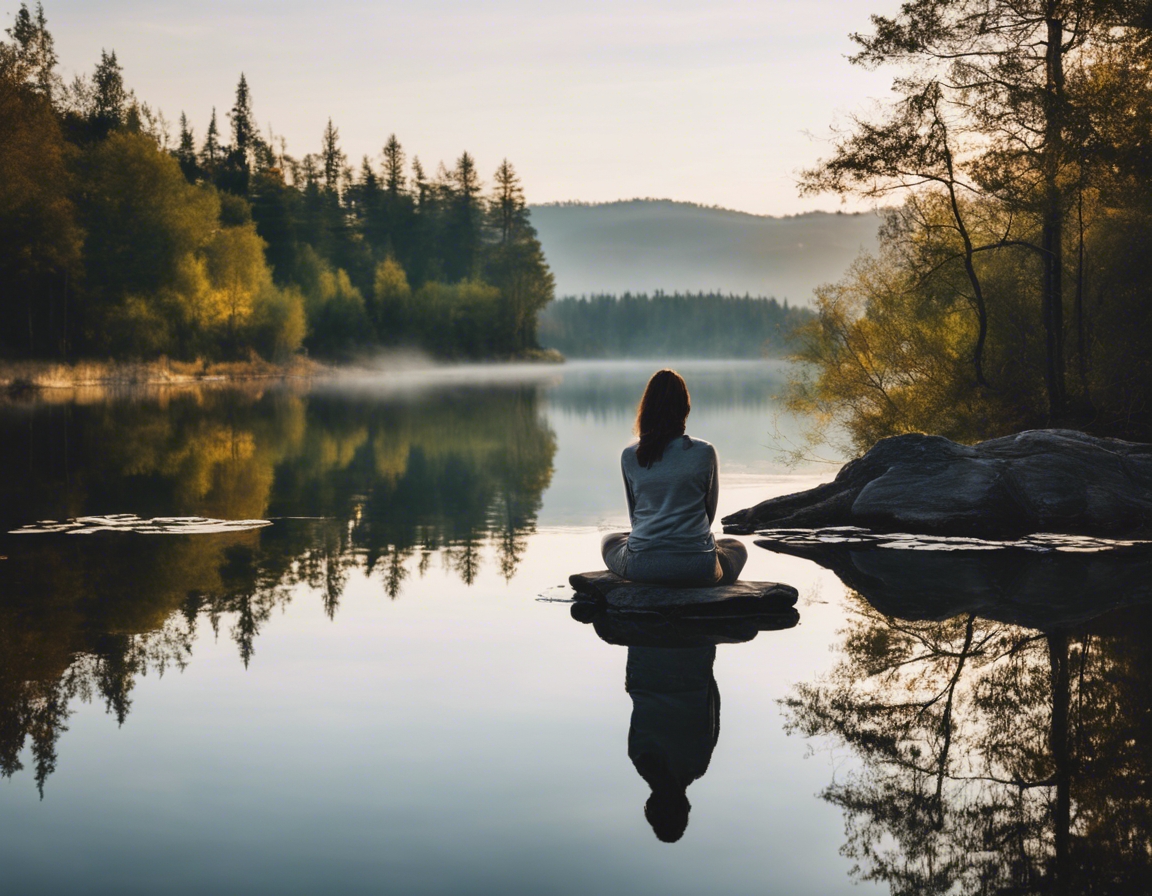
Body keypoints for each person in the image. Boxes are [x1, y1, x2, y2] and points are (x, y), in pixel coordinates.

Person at [601, 369, 747, 585]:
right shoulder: (704, 451)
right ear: (684, 409)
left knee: (610, 540)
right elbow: (709, 514)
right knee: (736, 547)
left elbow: (635, 518)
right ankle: (706, 572)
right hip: (699, 568)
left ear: (646, 408)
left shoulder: (631, 455)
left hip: (642, 566)